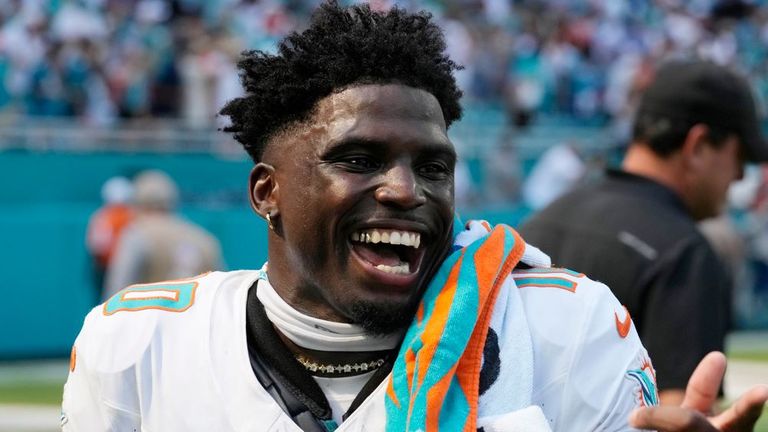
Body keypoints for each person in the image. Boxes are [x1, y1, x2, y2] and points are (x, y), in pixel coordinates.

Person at [61, 3, 767, 431]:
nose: (405, 190)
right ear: (267, 192)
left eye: (433, 166)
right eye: (359, 158)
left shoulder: (564, 331)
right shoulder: (139, 348)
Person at [519, 59, 768, 406]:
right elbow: (681, 416)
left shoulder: (540, 222)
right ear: (697, 145)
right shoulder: (684, 254)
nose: (740, 176)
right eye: (739, 157)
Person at [102, 169, 224, 300]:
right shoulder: (203, 238)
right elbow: (221, 293)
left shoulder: (136, 234)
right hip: (198, 318)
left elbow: (116, 294)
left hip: (150, 318)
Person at [85, 175, 135, 302]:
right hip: (117, 269)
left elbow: (97, 247)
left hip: (107, 269)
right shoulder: (133, 216)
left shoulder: (102, 216)